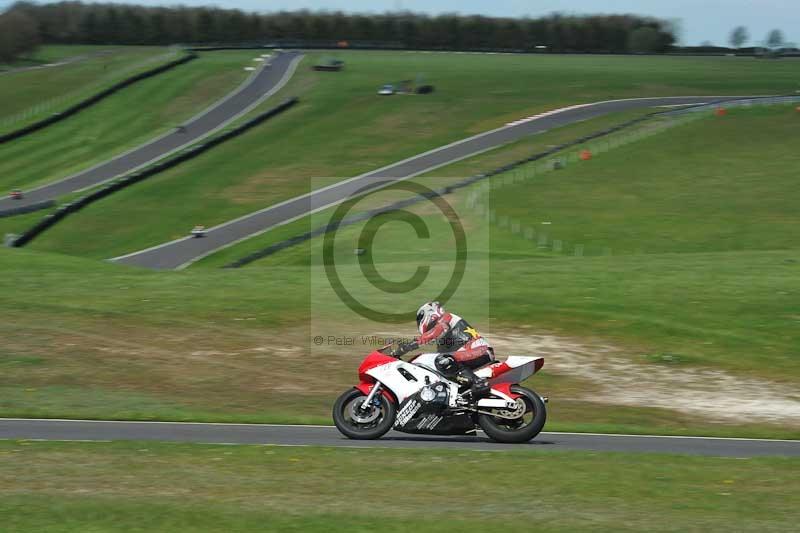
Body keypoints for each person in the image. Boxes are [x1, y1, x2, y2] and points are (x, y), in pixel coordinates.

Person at [392, 301, 494, 399]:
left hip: (480, 351)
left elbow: (436, 331)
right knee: (440, 367)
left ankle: (478, 382)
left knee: (443, 360)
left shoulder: (447, 317)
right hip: (472, 355)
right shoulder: (444, 341)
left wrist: (407, 347)